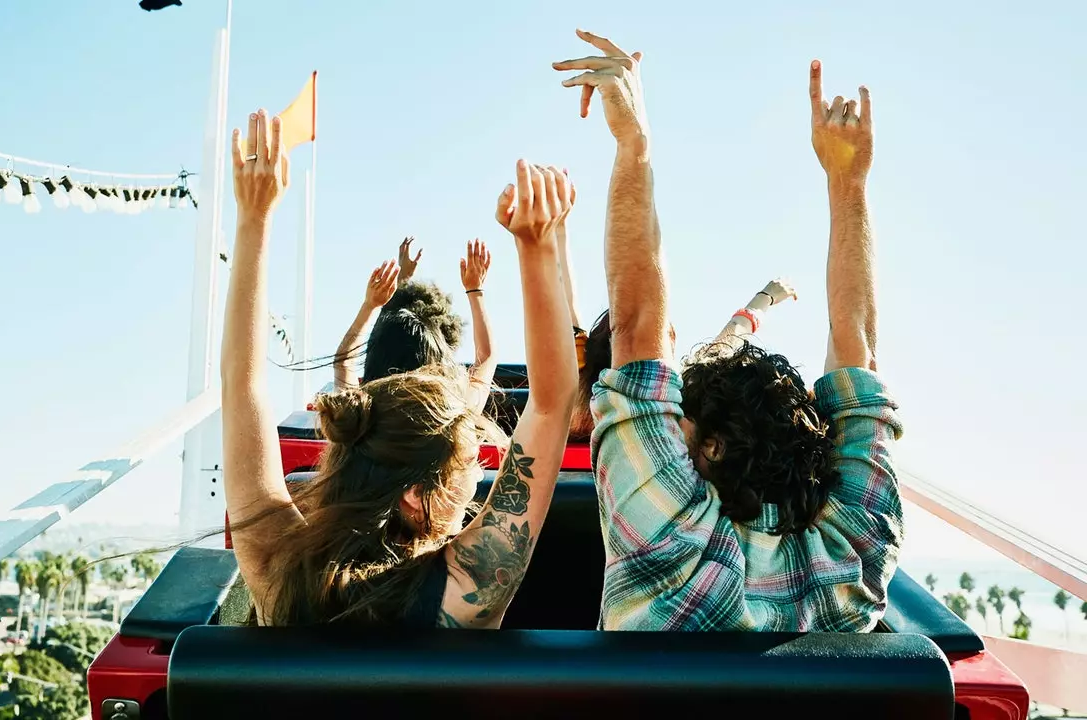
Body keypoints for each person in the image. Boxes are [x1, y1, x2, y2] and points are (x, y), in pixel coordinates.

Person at [555, 31, 903, 631]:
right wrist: (849, 182)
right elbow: (859, 351)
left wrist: (633, 144)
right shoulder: (858, 555)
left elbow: (638, 330)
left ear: (712, 448)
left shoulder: (666, 544)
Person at [220, 107, 577, 626]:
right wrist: (538, 245)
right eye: (469, 468)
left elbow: (240, 388)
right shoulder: (464, 593)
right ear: (417, 495)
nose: (477, 480)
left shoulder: (276, 567)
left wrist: (254, 218)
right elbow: (552, 404)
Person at [569, 278, 797, 442]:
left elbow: (568, 321)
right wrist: (764, 298)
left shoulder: (570, 405)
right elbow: (727, 343)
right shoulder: (680, 401)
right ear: (669, 342)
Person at [332, 237, 497, 412]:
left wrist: (370, 305)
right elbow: (486, 356)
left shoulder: (358, 417)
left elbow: (344, 363)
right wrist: (475, 289)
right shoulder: (455, 415)